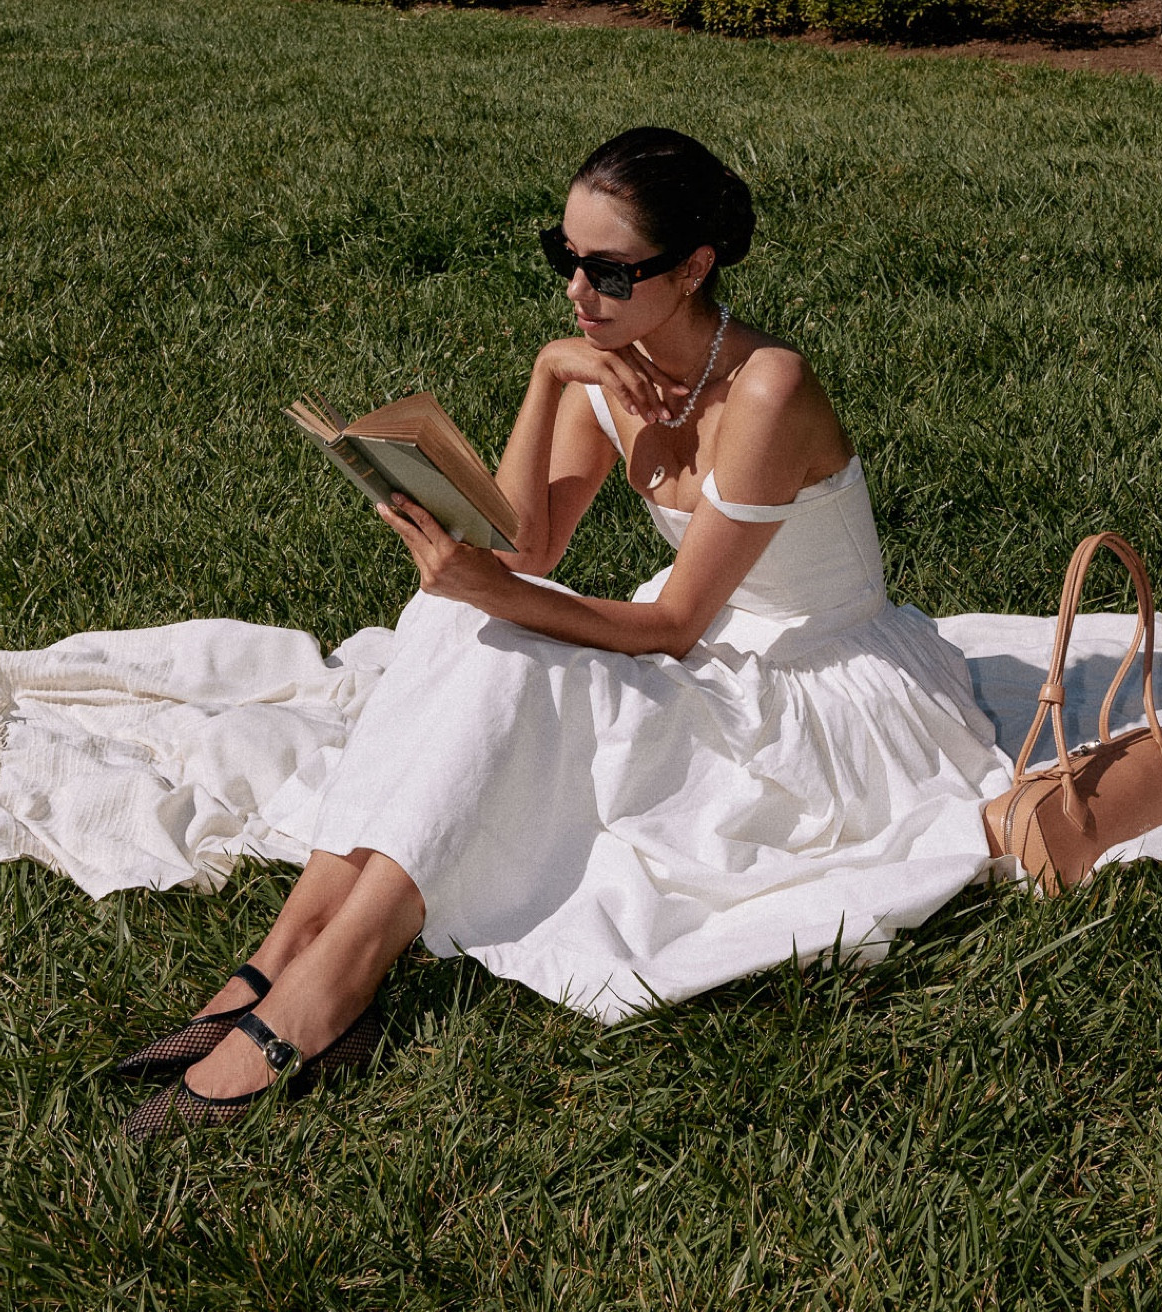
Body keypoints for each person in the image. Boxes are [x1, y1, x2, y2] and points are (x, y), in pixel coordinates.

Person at [118, 128, 1005, 1139]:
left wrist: (485, 588)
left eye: (612, 270)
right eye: (566, 258)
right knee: (457, 618)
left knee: (494, 633)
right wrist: (550, 376)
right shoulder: (600, 364)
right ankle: (286, 958)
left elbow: (671, 624)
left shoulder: (768, 389)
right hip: (708, 648)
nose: (582, 291)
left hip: (815, 685)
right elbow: (530, 541)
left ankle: (324, 990)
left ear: (695, 267)